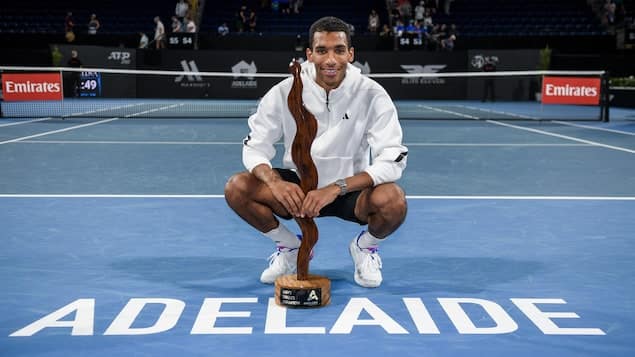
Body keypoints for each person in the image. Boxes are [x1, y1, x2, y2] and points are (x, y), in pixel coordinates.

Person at [224, 16, 408, 288]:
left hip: (349, 190)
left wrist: (335, 188)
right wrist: (275, 183)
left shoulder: (371, 94)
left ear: (351, 53)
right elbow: (255, 147)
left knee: (393, 200)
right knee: (238, 187)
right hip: (299, 188)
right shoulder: (284, 91)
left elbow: (392, 159)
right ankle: (290, 247)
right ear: (309, 54)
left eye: (339, 50)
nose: (330, 59)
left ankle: (364, 248)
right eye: (322, 50)